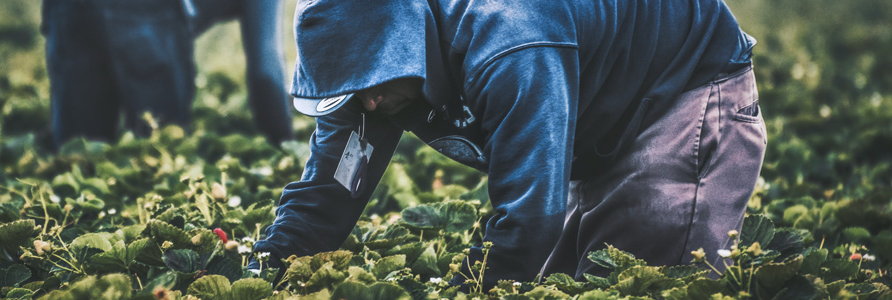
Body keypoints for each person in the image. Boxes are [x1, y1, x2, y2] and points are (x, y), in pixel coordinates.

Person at [250, 0, 765, 287]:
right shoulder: (374, 88)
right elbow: (327, 192)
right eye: (348, 90)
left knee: (639, 284)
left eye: (369, 84)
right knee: (566, 282)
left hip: (683, 92)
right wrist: (262, 270)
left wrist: (466, 289)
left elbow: (530, 215)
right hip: (594, 116)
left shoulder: (509, 35)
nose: (366, 107)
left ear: (402, 44)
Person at [41, 0, 293, 148]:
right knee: (158, 155)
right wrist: (285, 144)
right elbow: (265, 74)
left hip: (67, 10)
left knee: (77, 153)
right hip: (147, 13)